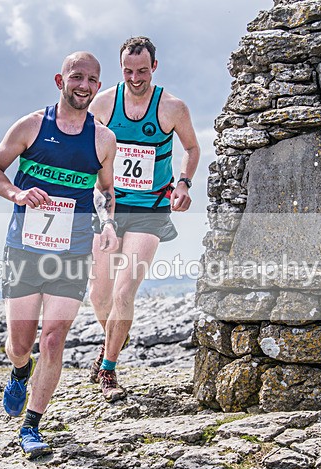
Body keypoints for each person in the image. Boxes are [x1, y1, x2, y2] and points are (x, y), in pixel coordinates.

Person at [0, 52, 118, 458]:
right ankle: (20, 371)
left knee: (54, 339)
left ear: (98, 86)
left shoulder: (103, 139)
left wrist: (108, 222)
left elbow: (106, 192)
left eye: (93, 80)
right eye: (77, 77)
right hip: (24, 248)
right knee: (20, 343)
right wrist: (18, 193)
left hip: (72, 250)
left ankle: (32, 426)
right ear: (61, 79)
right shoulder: (31, 126)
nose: (85, 86)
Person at [87, 36, 200, 401]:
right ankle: (116, 336)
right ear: (121, 69)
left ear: (155, 67)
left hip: (150, 209)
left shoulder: (172, 107)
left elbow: (192, 148)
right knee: (99, 294)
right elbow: (83, 148)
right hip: (109, 206)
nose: (136, 78)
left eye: (143, 70)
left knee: (123, 292)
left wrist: (183, 183)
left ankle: (109, 369)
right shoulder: (103, 103)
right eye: (128, 71)